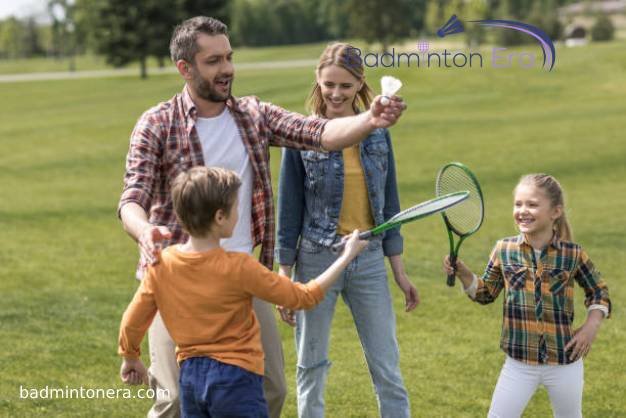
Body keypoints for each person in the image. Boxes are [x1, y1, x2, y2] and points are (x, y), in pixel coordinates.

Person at [117, 17, 406, 418]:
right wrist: (144, 230)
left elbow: (317, 132)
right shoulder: (157, 124)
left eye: (230, 57)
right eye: (214, 60)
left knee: (271, 389)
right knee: (175, 400)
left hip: (241, 276)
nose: (227, 69)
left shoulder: (253, 114)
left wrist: (371, 120)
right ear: (186, 68)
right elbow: (132, 197)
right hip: (178, 279)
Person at [118, 166, 370, 418]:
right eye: (236, 208)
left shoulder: (161, 265)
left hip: (190, 380)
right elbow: (303, 296)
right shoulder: (239, 267)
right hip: (236, 380)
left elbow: (133, 318)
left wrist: (130, 357)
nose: (240, 214)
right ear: (220, 217)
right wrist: (345, 257)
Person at [275, 42, 417, 418]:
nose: (335, 93)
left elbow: (390, 204)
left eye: (345, 85)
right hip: (316, 259)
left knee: (387, 366)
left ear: (360, 85)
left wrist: (399, 273)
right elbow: (288, 209)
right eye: (328, 85)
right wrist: (284, 275)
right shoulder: (301, 134)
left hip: (368, 259)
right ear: (317, 82)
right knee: (311, 364)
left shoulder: (378, 133)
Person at [443, 173, 611, 418]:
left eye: (532, 204)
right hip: (519, 364)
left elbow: (599, 291)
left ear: (555, 212)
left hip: (565, 361)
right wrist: (464, 273)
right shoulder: (504, 250)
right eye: (518, 204)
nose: (523, 210)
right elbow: (485, 293)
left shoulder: (572, 254)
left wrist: (590, 327)